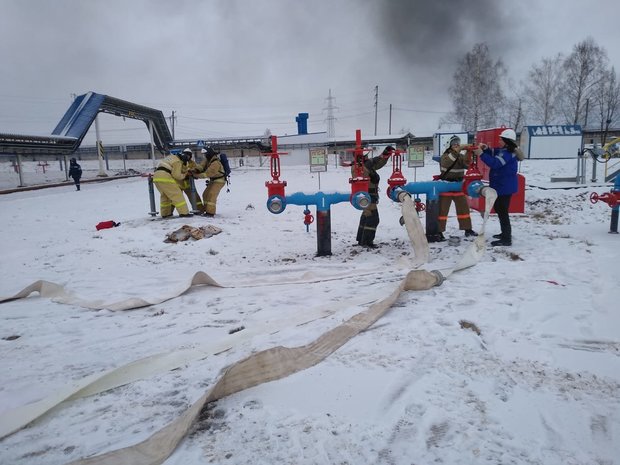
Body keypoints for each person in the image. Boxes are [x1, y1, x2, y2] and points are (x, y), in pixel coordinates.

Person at [479, 128, 524, 246]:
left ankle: (506, 239)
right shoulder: (504, 150)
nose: (499, 141)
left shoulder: (507, 153)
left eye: (501, 139)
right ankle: (504, 234)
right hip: (501, 186)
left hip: (504, 187)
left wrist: (481, 154)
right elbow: (495, 153)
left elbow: (495, 163)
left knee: (503, 212)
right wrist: (486, 149)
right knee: (499, 209)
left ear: (506, 141)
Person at [352, 145, 395, 248]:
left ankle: (361, 240)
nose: (367, 157)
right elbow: (365, 172)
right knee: (373, 218)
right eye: (365, 156)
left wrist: (386, 153)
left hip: (369, 196)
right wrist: (368, 166)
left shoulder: (365, 165)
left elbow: (378, 162)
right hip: (366, 197)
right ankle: (367, 241)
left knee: (366, 216)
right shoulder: (358, 167)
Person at [437, 135, 477, 241]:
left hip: (459, 185)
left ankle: (467, 229)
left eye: (458, 143)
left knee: (463, 209)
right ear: (449, 145)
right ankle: (439, 231)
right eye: (454, 143)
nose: (456, 145)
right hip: (446, 185)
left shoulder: (459, 156)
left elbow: (467, 164)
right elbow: (447, 163)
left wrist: (468, 152)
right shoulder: (445, 156)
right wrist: (458, 151)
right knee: (442, 211)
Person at [153, 148, 193, 218]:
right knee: (177, 194)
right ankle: (184, 213)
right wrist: (185, 175)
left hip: (156, 176)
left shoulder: (171, 157)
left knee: (165, 196)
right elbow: (176, 175)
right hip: (165, 176)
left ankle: (165, 213)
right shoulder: (178, 162)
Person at [194, 146, 227, 217]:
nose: (204, 156)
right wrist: (196, 170)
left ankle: (210, 212)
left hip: (220, 180)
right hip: (213, 180)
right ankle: (206, 209)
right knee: (205, 194)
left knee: (211, 195)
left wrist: (196, 175)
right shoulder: (208, 159)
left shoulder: (216, 163)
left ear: (209, 154)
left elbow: (207, 174)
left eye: (205, 154)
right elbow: (201, 166)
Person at [178, 149, 205, 213]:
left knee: (195, 197)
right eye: (185, 155)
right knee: (176, 197)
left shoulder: (192, 163)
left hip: (189, 183)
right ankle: (169, 212)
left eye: (188, 155)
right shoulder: (179, 161)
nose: (187, 157)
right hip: (179, 182)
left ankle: (200, 210)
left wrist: (193, 172)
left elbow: (195, 170)